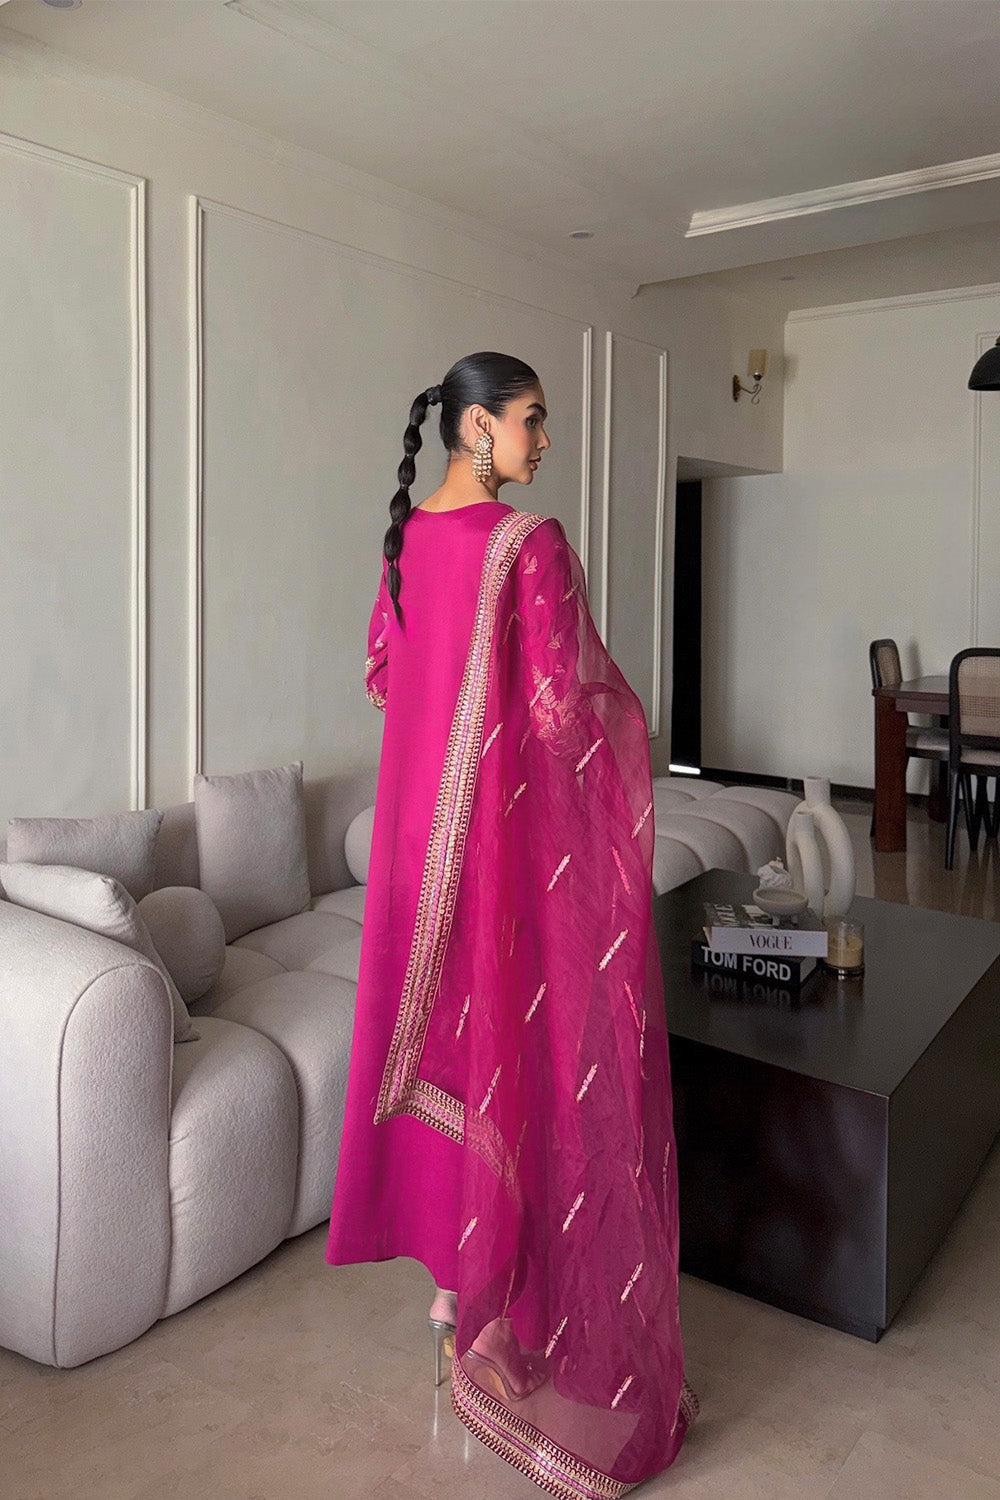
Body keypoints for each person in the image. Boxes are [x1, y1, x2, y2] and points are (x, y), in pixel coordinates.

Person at [327, 351, 695, 1495]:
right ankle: (490, 1305)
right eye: (532, 420)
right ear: (477, 428)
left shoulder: (404, 542)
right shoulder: (527, 545)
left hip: (408, 860)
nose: (543, 441)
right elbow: (560, 708)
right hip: (492, 860)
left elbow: (386, 680)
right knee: (520, 1056)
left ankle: (454, 1296)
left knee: (446, 1054)